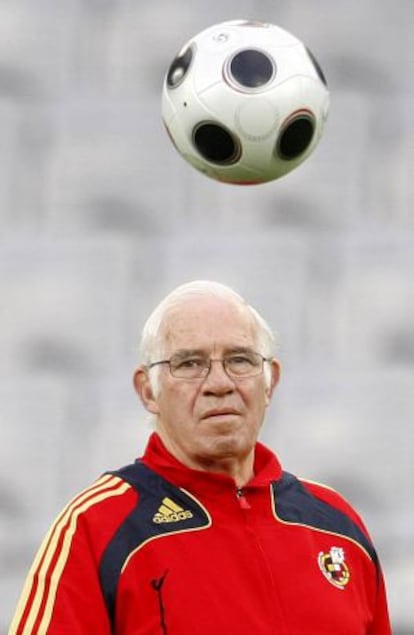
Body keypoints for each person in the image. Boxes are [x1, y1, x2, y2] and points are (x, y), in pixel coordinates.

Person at [9, 280, 391, 634]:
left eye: (240, 359)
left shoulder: (337, 525)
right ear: (147, 391)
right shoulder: (97, 527)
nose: (219, 384)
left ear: (270, 379)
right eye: (189, 364)